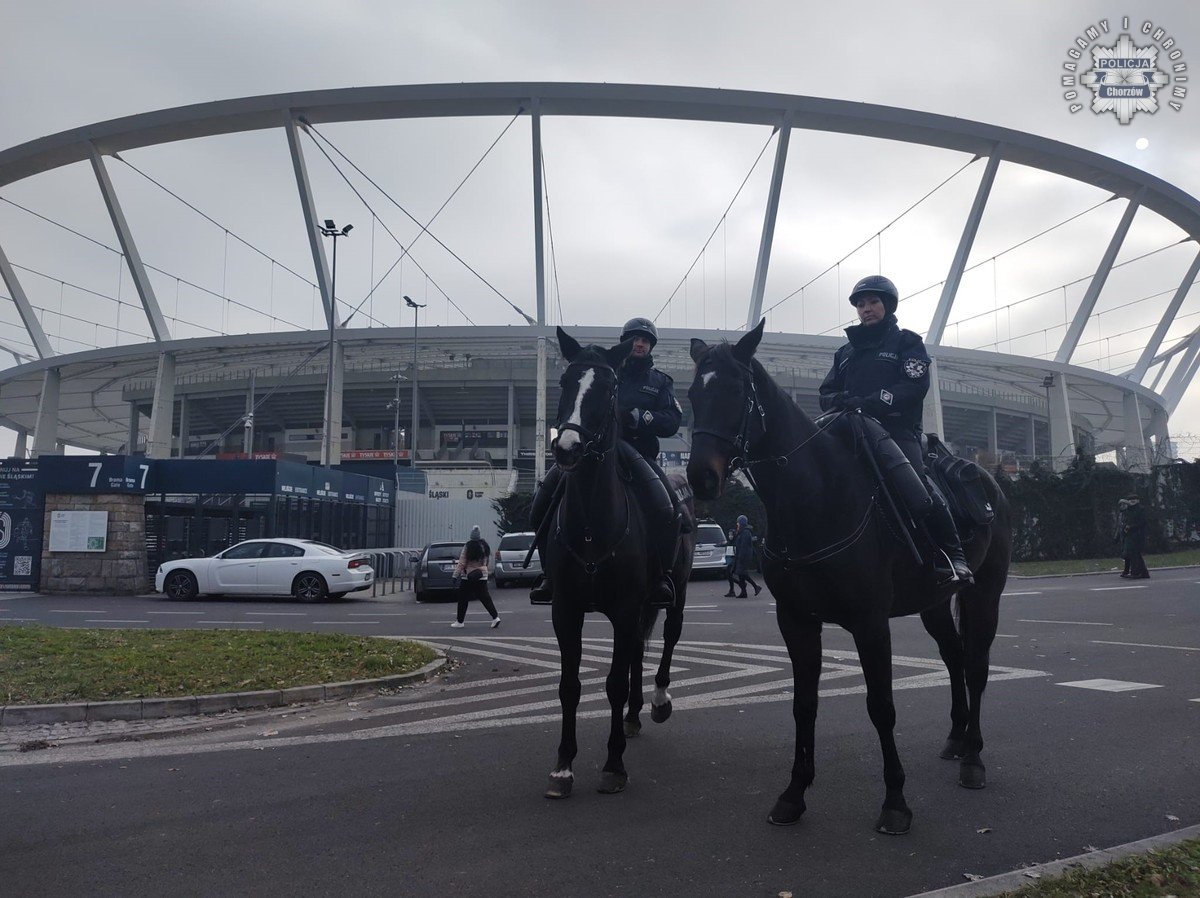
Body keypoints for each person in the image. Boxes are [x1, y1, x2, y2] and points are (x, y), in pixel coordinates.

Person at [818, 275, 972, 585]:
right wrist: (840, 400)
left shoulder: (906, 343)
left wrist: (873, 402)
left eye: (873, 302)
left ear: (887, 305)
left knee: (917, 486)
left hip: (897, 432)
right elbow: (826, 392)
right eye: (861, 304)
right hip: (851, 432)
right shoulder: (845, 352)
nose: (866, 309)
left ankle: (953, 554)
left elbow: (913, 386)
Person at [530, 317, 685, 607]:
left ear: (651, 346)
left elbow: (672, 420)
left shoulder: (660, 382)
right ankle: (549, 575)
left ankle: (661, 577)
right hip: (591, 451)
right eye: (635, 339)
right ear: (625, 343)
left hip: (637, 453)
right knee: (540, 502)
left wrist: (638, 417)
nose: (640, 344)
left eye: (645, 340)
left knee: (669, 508)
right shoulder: (603, 370)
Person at [452, 525, 501, 628]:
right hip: (482, 575)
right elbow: (486, 561)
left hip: (468, 576)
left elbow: (462, 562)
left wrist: (455, 575)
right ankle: (495, 617)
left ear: (471, 536)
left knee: (463, 598)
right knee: (484, 597)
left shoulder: (468, 546)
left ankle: (460, 622)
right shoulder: (484, 546)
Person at [730, 515, 762, 598]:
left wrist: (740, 557)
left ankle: (755, 586)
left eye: (738, 523)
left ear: (741, 523)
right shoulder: (742, 532)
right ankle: (744, 592)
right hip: (742, 556)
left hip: (744, 557)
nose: (737, 524)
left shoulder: (745, 533)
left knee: (741, 573)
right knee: (741, 574)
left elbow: (744, 547)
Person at [1120, 495, 1150, 579]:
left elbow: (1142, 522)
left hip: (1138, 535)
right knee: (1134, 554)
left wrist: (1131, 527)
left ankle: (1136, 573)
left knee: (1135, 555)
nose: (1132, 501)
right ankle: (1143, 573)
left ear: (1138, 500)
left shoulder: (1141, 509)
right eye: (1130, 499)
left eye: (1134, 499)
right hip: (1130, 535)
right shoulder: (1128, 509)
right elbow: (1124, 517)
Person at [722, 527, 738, 597]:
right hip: (729, 562)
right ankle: (732, 590)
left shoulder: (735, 543)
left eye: (731, 535)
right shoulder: (728, 542)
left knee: (730, 575)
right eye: (729, 535)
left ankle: (733, 589)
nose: (730, 536)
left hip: (733, 562)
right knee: (729, 576)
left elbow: (735, 553)